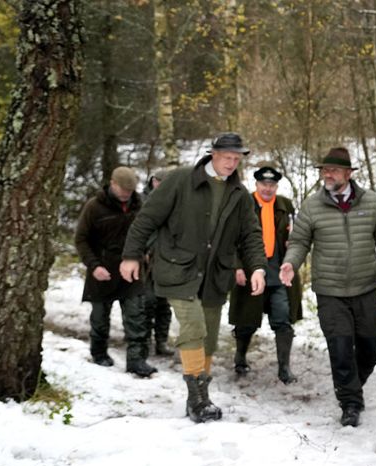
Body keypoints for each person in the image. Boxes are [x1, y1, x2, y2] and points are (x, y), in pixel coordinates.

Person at [120, 132, 267, 423]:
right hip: (179, 268)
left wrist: (258, 267)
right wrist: (131, 255)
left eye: (237, 159)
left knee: (210, 334)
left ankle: (200, 393)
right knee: (193, 324)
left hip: (215, 274)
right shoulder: (180, 179)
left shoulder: (238, 193)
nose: (231, 163)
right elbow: (147, 218)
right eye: (227, 157)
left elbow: (250, 235)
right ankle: (197, 398)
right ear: (213, 153)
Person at [280, 147, 376, 427]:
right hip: (330, 291)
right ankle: (350, 402)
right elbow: (299, 242)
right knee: (341, 347)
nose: (328, 175)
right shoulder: (312, 206)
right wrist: (290, 263)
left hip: (366, 288)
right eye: (324, 170)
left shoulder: (371, 203)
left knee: (371, 346)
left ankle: (352, 386)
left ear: (348, 174)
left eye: (333, 170)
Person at [74, 166, 157, 378]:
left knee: (136, 317)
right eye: (123, 190)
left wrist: (146, 252)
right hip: (102, 270)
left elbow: (150, 231)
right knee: (100, 318)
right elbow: (81, 239)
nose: (126, 195)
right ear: (112, 184)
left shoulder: (140, 205)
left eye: (130, 191)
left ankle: (137, 360)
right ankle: (99, 353)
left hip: (132, 270)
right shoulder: (94, 207)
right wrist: (94, 266)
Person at [228, 163, 303, 384]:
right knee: (246, 321)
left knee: (283, 320)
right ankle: (240, 357)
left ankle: (284, 368)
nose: (268, 189)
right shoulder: (244, 204)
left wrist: (293, 245)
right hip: (252, 273)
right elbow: (231, 239)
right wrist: (237, 266)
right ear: (256, 184)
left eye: (272, 185)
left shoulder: (285, 206)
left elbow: (296, 233)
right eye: (264, 184)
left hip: (279, 274)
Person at [141, 169, 174, 358]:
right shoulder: (141, 201)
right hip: (146, 260)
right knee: (147, 301)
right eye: (158, 182)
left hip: (165, 259)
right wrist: (143, 251)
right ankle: (143, 341)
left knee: (163, 303)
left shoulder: (173, 202)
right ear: (153, 181)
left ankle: (161, 341)